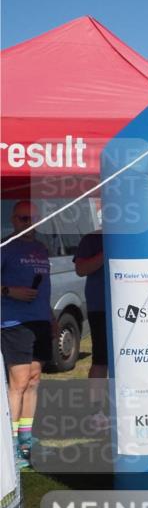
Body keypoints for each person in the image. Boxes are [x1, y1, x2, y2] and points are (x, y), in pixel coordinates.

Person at [1, 201, 54, 469]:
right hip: (15, 321)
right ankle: (9, 445)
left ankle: (25, 439)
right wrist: (10, 291)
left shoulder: (41, 248)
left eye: (33, 219)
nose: (28, 224)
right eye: (23, 219)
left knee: (34, 380)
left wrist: (51, 316)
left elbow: (46, 286)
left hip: (41, 321)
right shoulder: (5, 246)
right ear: (13, 219)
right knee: (19, 382)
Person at [73, 229, 108, 379]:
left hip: (132, 307)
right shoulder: (92, 239)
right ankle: (96, 402)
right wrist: (109, 249)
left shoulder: (137, 235)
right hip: (101, 308)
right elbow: (80, 270)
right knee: (101, 359)